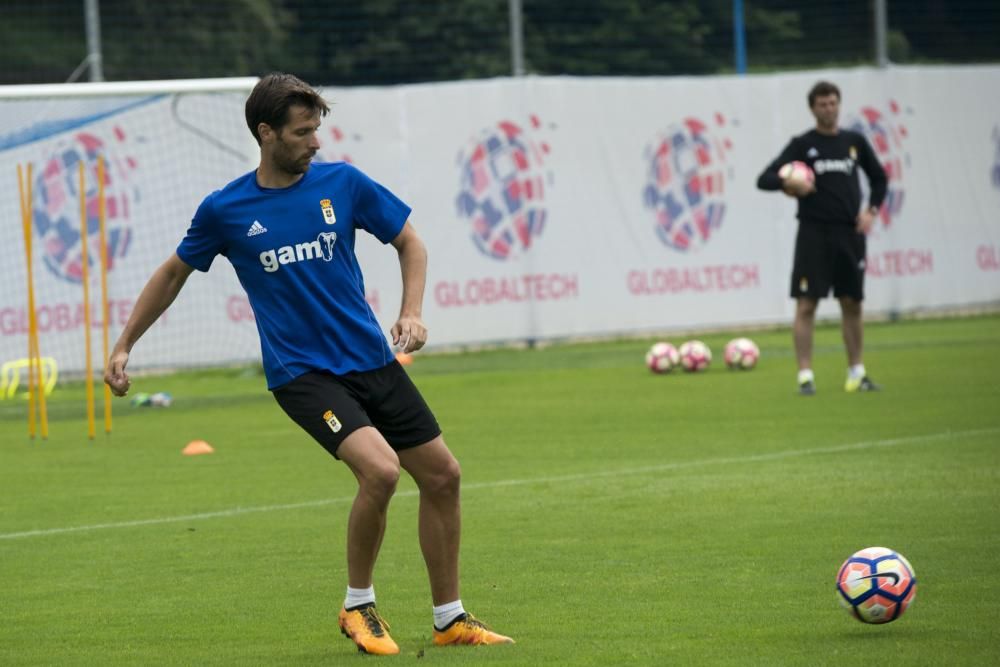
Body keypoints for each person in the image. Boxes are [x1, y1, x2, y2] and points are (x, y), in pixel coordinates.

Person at [104, 73, 513, 655]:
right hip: (303, 375)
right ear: (266, 133)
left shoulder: (343, 184)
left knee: (444, 476)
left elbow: (410, 242)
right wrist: (124, 345)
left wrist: (412, 312)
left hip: (371, 360)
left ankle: (449, 619)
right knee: (380, 471)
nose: (316, 142)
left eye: (318, 129)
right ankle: (358, 607)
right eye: (303, 132)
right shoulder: (225, 209)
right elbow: (173, 273)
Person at [757, 80, 888, 396]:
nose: (829, 109)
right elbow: (765, 179)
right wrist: (791, 185)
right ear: (813, 108)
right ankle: (805, 376)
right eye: (822, 104)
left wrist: (870, 211)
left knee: (852, 302)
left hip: (849, 232)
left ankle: (857, 372)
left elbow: (879, 178)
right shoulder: (803, 145)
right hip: (814, 233)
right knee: (806, 304)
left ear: (839, 105)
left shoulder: (853, 142)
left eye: (833, 103)